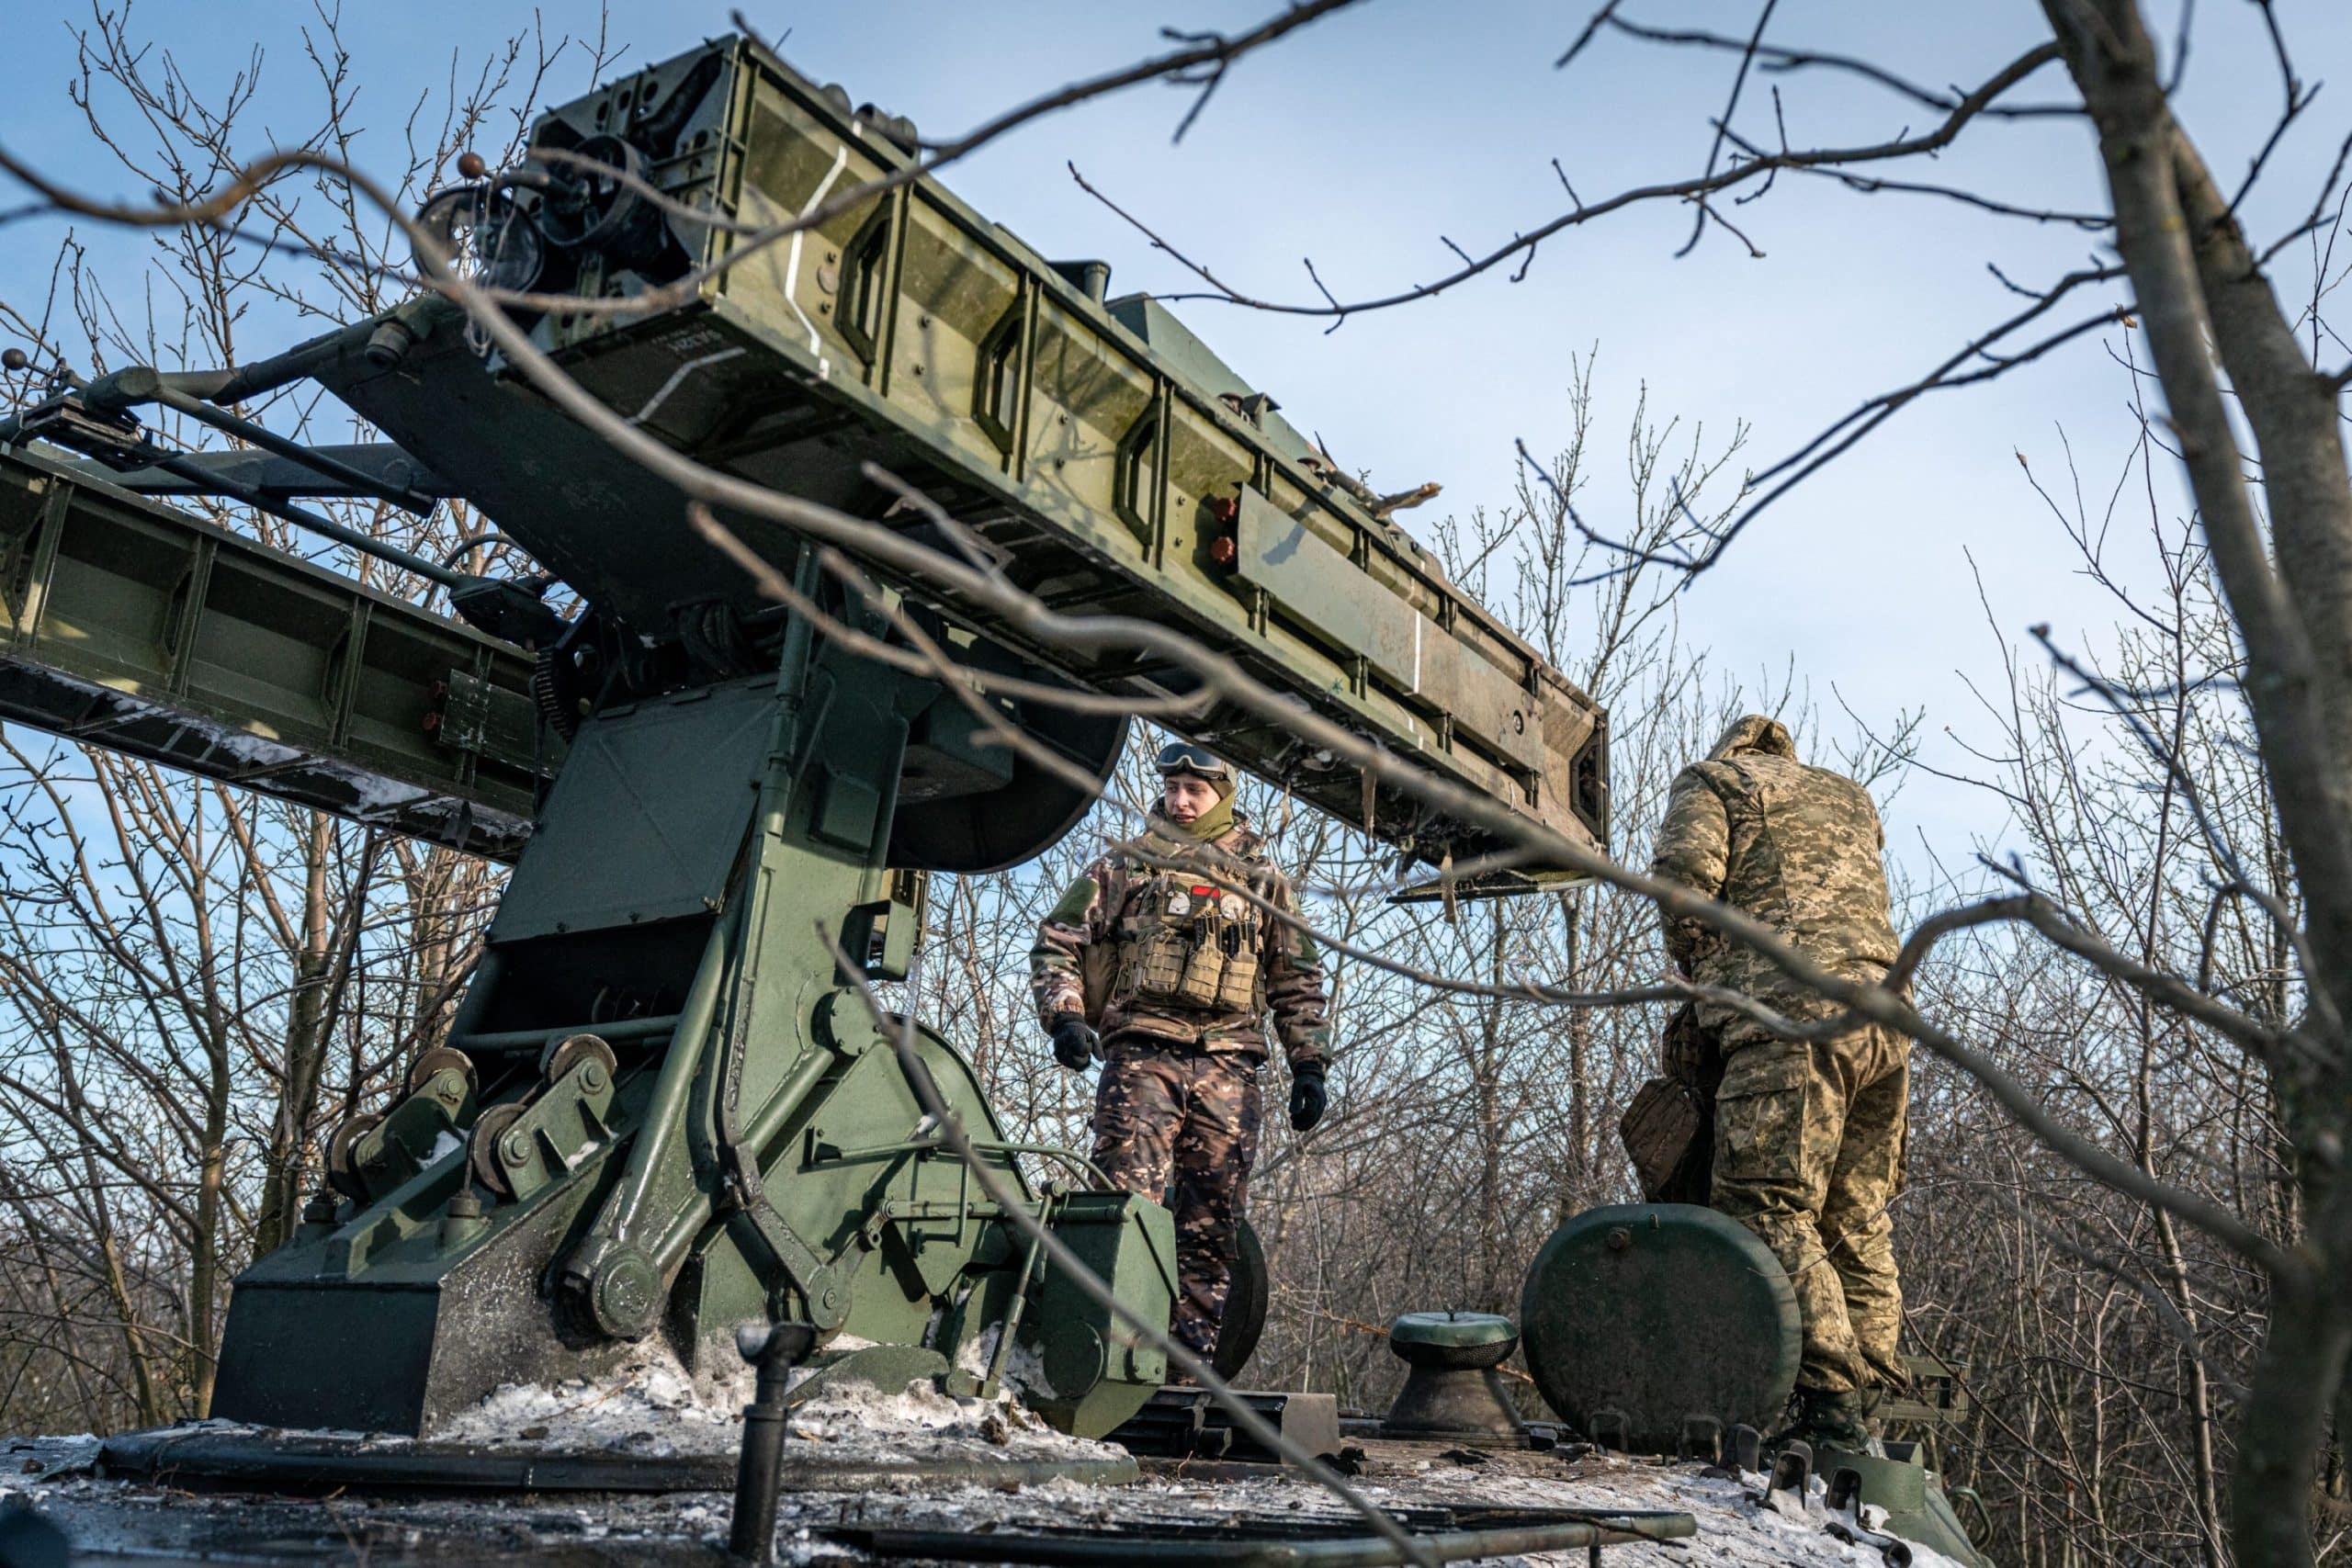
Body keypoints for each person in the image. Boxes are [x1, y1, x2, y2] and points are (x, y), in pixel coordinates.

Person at [1650, 714, 1907, 1452]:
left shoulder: (1712, 780)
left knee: (1765, 1202)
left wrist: (1702, 986)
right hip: (1889, 1016)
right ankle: (1870, 1414)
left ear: (1732, 751)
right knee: (1857, 1217)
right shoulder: (1849, 796)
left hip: (1790, 1008)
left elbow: (1683, 886)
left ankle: (1833, 1405)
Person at [1029, 741, 1331, 1366]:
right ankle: (1109, 1366)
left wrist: (1309, 1063)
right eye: (1172, 788)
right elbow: (1058, 940)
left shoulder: (1263, 880)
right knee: (1124, 1213)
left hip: (1228, 1066)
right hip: (1142, 1058)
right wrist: (1064, 1016)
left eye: (1194, 790)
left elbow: (1295, 977)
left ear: (1223, 794)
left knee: (1210, 1226)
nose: (1180, 801)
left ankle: (1185, 1375)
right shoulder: (1126, 866)